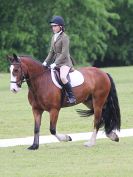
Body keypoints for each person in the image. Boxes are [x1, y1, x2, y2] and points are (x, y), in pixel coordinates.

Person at [42, 15, 76, 104]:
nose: (53, 28)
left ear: (60, 27)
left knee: (63, 77)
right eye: (52, 26)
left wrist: (55, 63)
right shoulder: (53, 37)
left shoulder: (65, 37)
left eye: (55, 26)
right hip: (56, 63)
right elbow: (51, 52)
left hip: (65, 63)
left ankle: (71, 96)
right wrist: (45, 62)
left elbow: (64, 53)